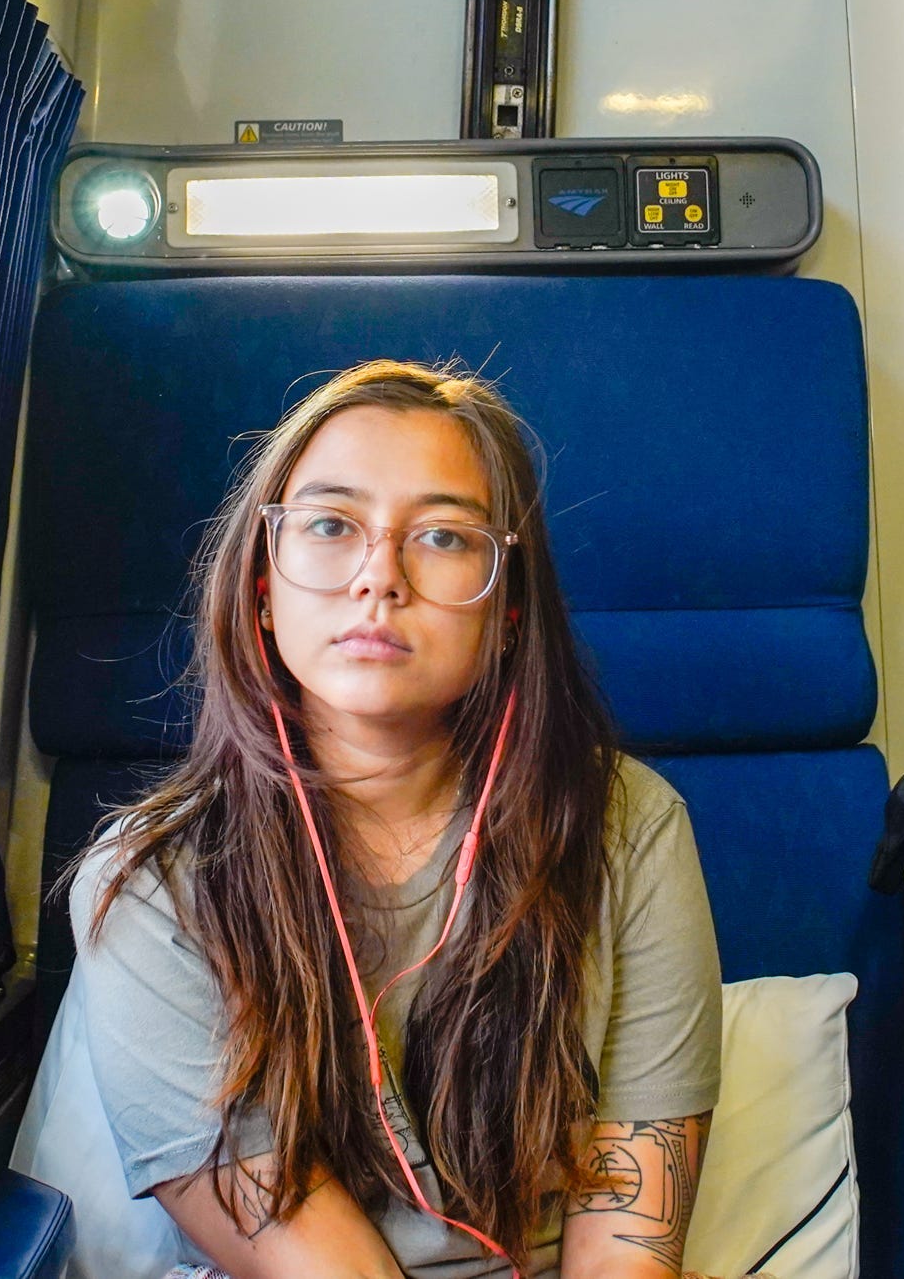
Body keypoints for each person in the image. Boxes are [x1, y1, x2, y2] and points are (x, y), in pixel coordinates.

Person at [69, 360, 726, 1279]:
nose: (380, 577)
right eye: (333, 525)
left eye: (446, 538)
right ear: (263, 583)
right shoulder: (151, 879)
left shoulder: (629, 825)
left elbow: (630, 1248)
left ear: (508, 609)